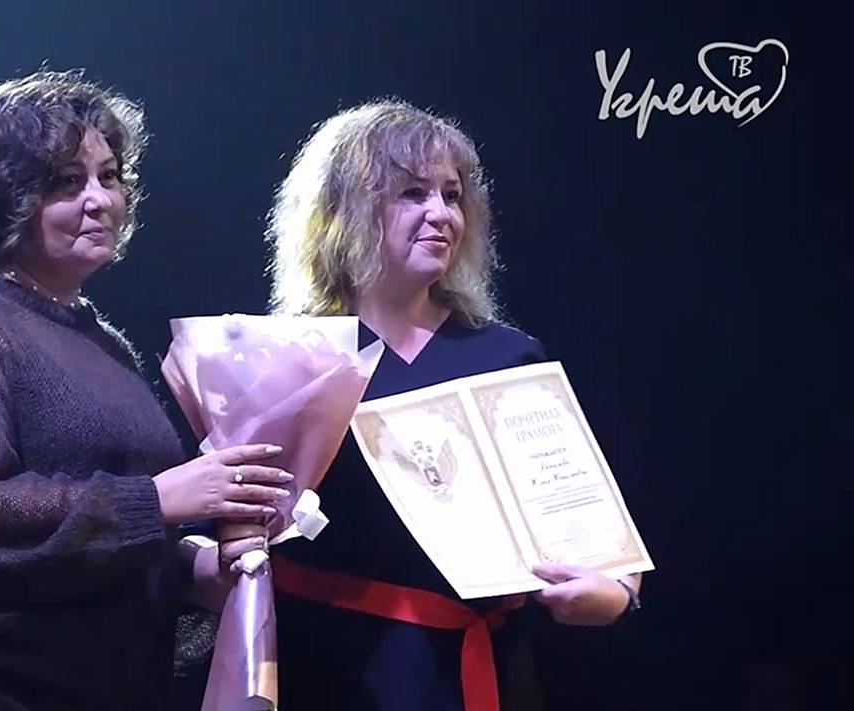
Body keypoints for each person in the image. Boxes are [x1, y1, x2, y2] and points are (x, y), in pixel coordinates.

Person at [0, 71, 286, 711]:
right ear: (3, 195)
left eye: (110, 176)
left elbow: (105, 545)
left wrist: (198, 571)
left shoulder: (106, 346)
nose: (100, 200)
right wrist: (158, 499)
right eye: (69, 181)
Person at [255, 100, 644, 711]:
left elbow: (588, 522)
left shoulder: (508, 355)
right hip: (333, 671)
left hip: (481, 669)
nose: (441, 213)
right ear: (344, 209)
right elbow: (226, 528)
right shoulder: (289, 359)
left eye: (452, 195)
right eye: (412, 193)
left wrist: (619, 590)